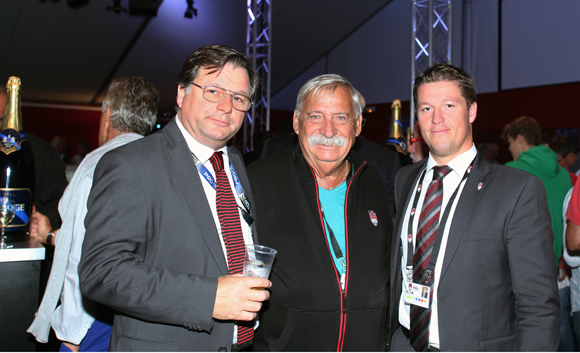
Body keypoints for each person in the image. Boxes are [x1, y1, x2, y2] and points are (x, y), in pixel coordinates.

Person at [78, 44, 270, 351]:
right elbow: (101, 271)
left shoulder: (234, 162)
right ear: (182, 94)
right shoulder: (131, 164)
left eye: (239, 98)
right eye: (213, 91)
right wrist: (209, 299)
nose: (226, 107)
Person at [388, 63, 559, 351]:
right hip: (404, 343)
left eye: (449, 105)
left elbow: (538, 306)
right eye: (426, 108)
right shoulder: (405, 178)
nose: (436, 119)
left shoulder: (517, 190)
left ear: (472, 111)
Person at [248, 74, 392, 351]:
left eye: (341, 118)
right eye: (315, 116)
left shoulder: (371, 180)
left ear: (358, 125)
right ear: (296, 122)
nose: (328, 130)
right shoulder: (259, 180)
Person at [27, 77, 159, 352]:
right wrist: (49, 235)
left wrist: (69, 332)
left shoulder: (99, 164)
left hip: (94, 318)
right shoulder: (161, 162)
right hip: (143, 310)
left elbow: (81, 255)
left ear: (108, 114)